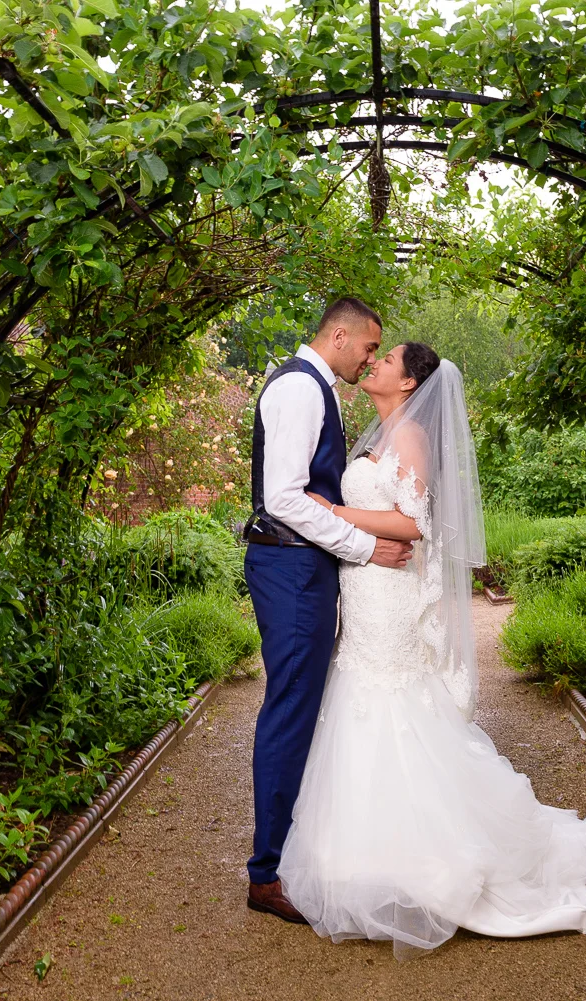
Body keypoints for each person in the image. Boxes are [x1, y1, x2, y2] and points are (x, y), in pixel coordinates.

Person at [276, 340, 586, 957]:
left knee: (391, 699)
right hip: (365, 588)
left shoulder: (412, 442)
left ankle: (422, 859)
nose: (375, 364)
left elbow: (416, 526)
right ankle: (361, 858)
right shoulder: (378, 434)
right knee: (361, 700)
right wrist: (340, 516)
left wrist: (334, 509)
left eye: (387, 359)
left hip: (389, 592)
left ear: (409, 383)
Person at [242, 297, 414, 923]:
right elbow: (284, 498)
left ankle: (291, 853)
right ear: (339, 335)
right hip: (288, 567)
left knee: (304, 705)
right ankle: (267, 874)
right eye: (369, 347)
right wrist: (366, 547)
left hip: (304, 567)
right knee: (290, 707)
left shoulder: (318, 388)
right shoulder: (298, 390)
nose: (371, 358)